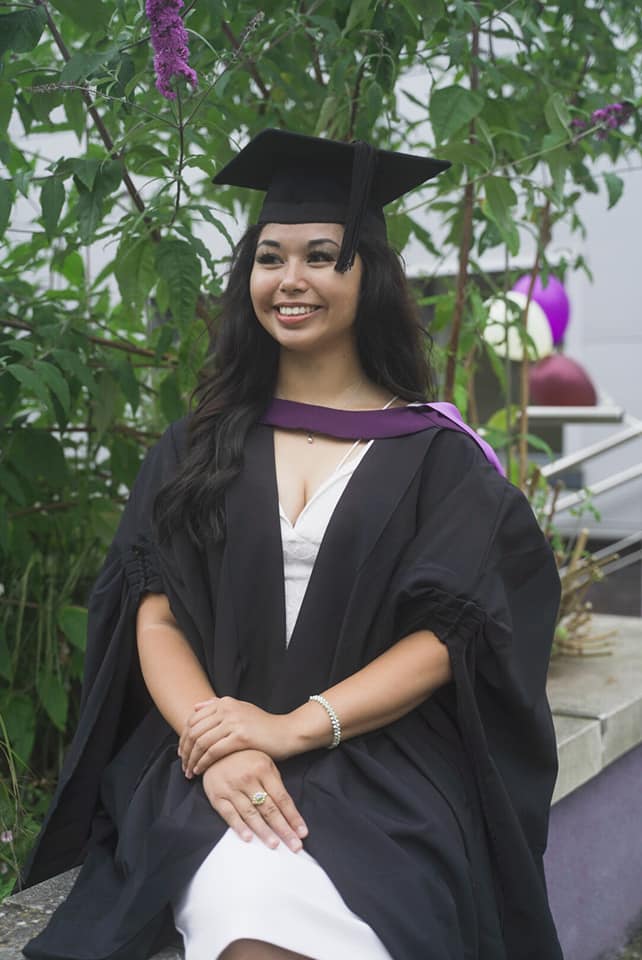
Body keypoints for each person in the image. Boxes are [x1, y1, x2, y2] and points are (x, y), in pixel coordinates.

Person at [22, 129, 563, 960]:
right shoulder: (198, 445)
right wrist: (223, 744)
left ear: (368, 275)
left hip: (382, 762)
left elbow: (449, 634)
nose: (291, 280)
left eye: (321, 256)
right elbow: (155, 611)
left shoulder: (436, 455)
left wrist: (296, 729)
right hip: (208, 742)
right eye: (270, 258)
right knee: (250, 909)